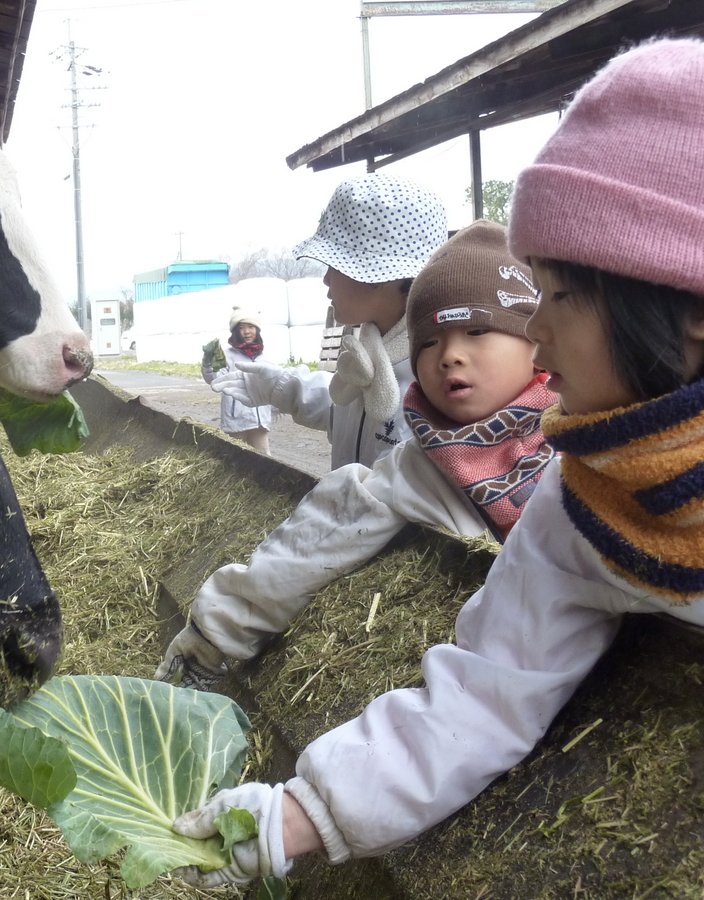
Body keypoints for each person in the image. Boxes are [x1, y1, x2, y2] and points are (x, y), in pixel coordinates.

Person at [168, 37, 704, 886]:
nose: (534, 331)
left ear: (687, 309)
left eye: (556, 296)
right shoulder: (581, 504)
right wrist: (296, 814)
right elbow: (484, 691)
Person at [157, 219, 553, 689]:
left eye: (479, 331)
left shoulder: (573, 444)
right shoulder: (382, 384)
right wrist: (258, 382)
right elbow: (335, 460)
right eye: (431, 341)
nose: (449, 355)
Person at [211, 173, 447, 470]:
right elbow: (349, 416)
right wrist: (281, 388)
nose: (325, 279)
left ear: (379, 275)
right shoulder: (370, 349)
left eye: (334, 265)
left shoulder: (437, 380)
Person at [201, 308, 275, 454]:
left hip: (259, 423)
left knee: (265, 461)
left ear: (257, 329)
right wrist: (207, 363)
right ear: (235, 331)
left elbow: (272, 383)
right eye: (241, 328)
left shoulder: (264, 357)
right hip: (236, 420)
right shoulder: (227, 356)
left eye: (251, 327)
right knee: (233, 459)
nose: (247, 331)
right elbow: (215, 380)